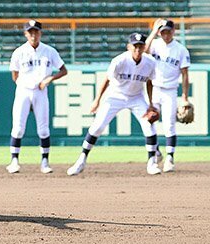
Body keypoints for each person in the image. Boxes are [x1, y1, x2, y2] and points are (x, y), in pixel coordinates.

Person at [67, 33, 160, 176]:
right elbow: (107, 80)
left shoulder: (150, 62)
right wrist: (97, 100)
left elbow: (149, 82)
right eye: (135, 46)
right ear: (129, 47)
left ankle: (152, 163)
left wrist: (151, 104)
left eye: (141, 46)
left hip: (136, 97)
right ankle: (81, 160)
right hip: (116, 95)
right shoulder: (119, 61)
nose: (138, 49)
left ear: (144, 47)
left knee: (149, 125)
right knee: (97, 127)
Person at [6, 19, 67, 174]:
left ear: (40, 33)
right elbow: (15, 74)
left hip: (41, 91)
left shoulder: (49, 51)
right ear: (26, 34)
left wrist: (49, 79)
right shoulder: (19, 52)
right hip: (23, 91)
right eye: (30, 32)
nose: (33, 35)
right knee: (18, 128)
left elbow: (63, 70)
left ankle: (45, 162)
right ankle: (14, 161)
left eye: (36, 32)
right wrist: (24, 85)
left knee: (43, 129)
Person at [145, 19, 191, 172]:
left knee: (169, 125)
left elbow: (185, 74)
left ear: (173, 31)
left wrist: (184, 96)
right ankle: (156, 151)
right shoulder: (156, 44)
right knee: (147, 120)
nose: (165, 34)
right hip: (154, 88)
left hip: (170, 90)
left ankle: (170, 158)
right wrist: (153, 32)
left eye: (168, 31)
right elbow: (144, 51)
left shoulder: (180, 49)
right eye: (162, 31)